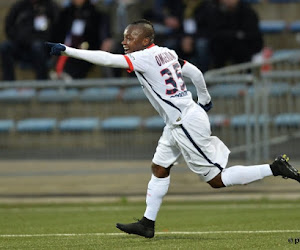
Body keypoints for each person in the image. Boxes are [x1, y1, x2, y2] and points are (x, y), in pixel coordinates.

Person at [45, 19, 300, 238]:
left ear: (145, 41)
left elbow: (108, 60)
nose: (125, 41)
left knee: (216, 180)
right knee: (159, 167)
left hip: (184, 122)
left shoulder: (143, 57)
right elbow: (197, 73)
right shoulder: (167, 52)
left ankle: (274, 168)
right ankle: (147, 223)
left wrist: (68, 50)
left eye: (130, 37)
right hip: (180, 118)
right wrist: (205, 99)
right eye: (124, 37)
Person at [50, 0, 112, 79]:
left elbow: (95, 35)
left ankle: (67, 76)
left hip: (86, 47)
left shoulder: (94, 13)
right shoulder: (65, 13)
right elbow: (58, 33)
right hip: (66, 46)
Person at [0, 0, 58, 81]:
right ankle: (8, 83)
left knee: (37, 47)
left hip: (43, 48)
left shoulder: (50, 6)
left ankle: (42, 83)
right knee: (5, 47)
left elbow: (58, 29)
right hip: (21, 45)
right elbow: (8, 26)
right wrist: (19, 38)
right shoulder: (19, 6)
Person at [207, 0, 263, 68]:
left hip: (244, 47)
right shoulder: (214, 11)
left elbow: (252, 35)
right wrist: (236, 35)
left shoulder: (248, 11)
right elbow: (214, 33)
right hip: (222, 46)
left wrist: (233, 35)